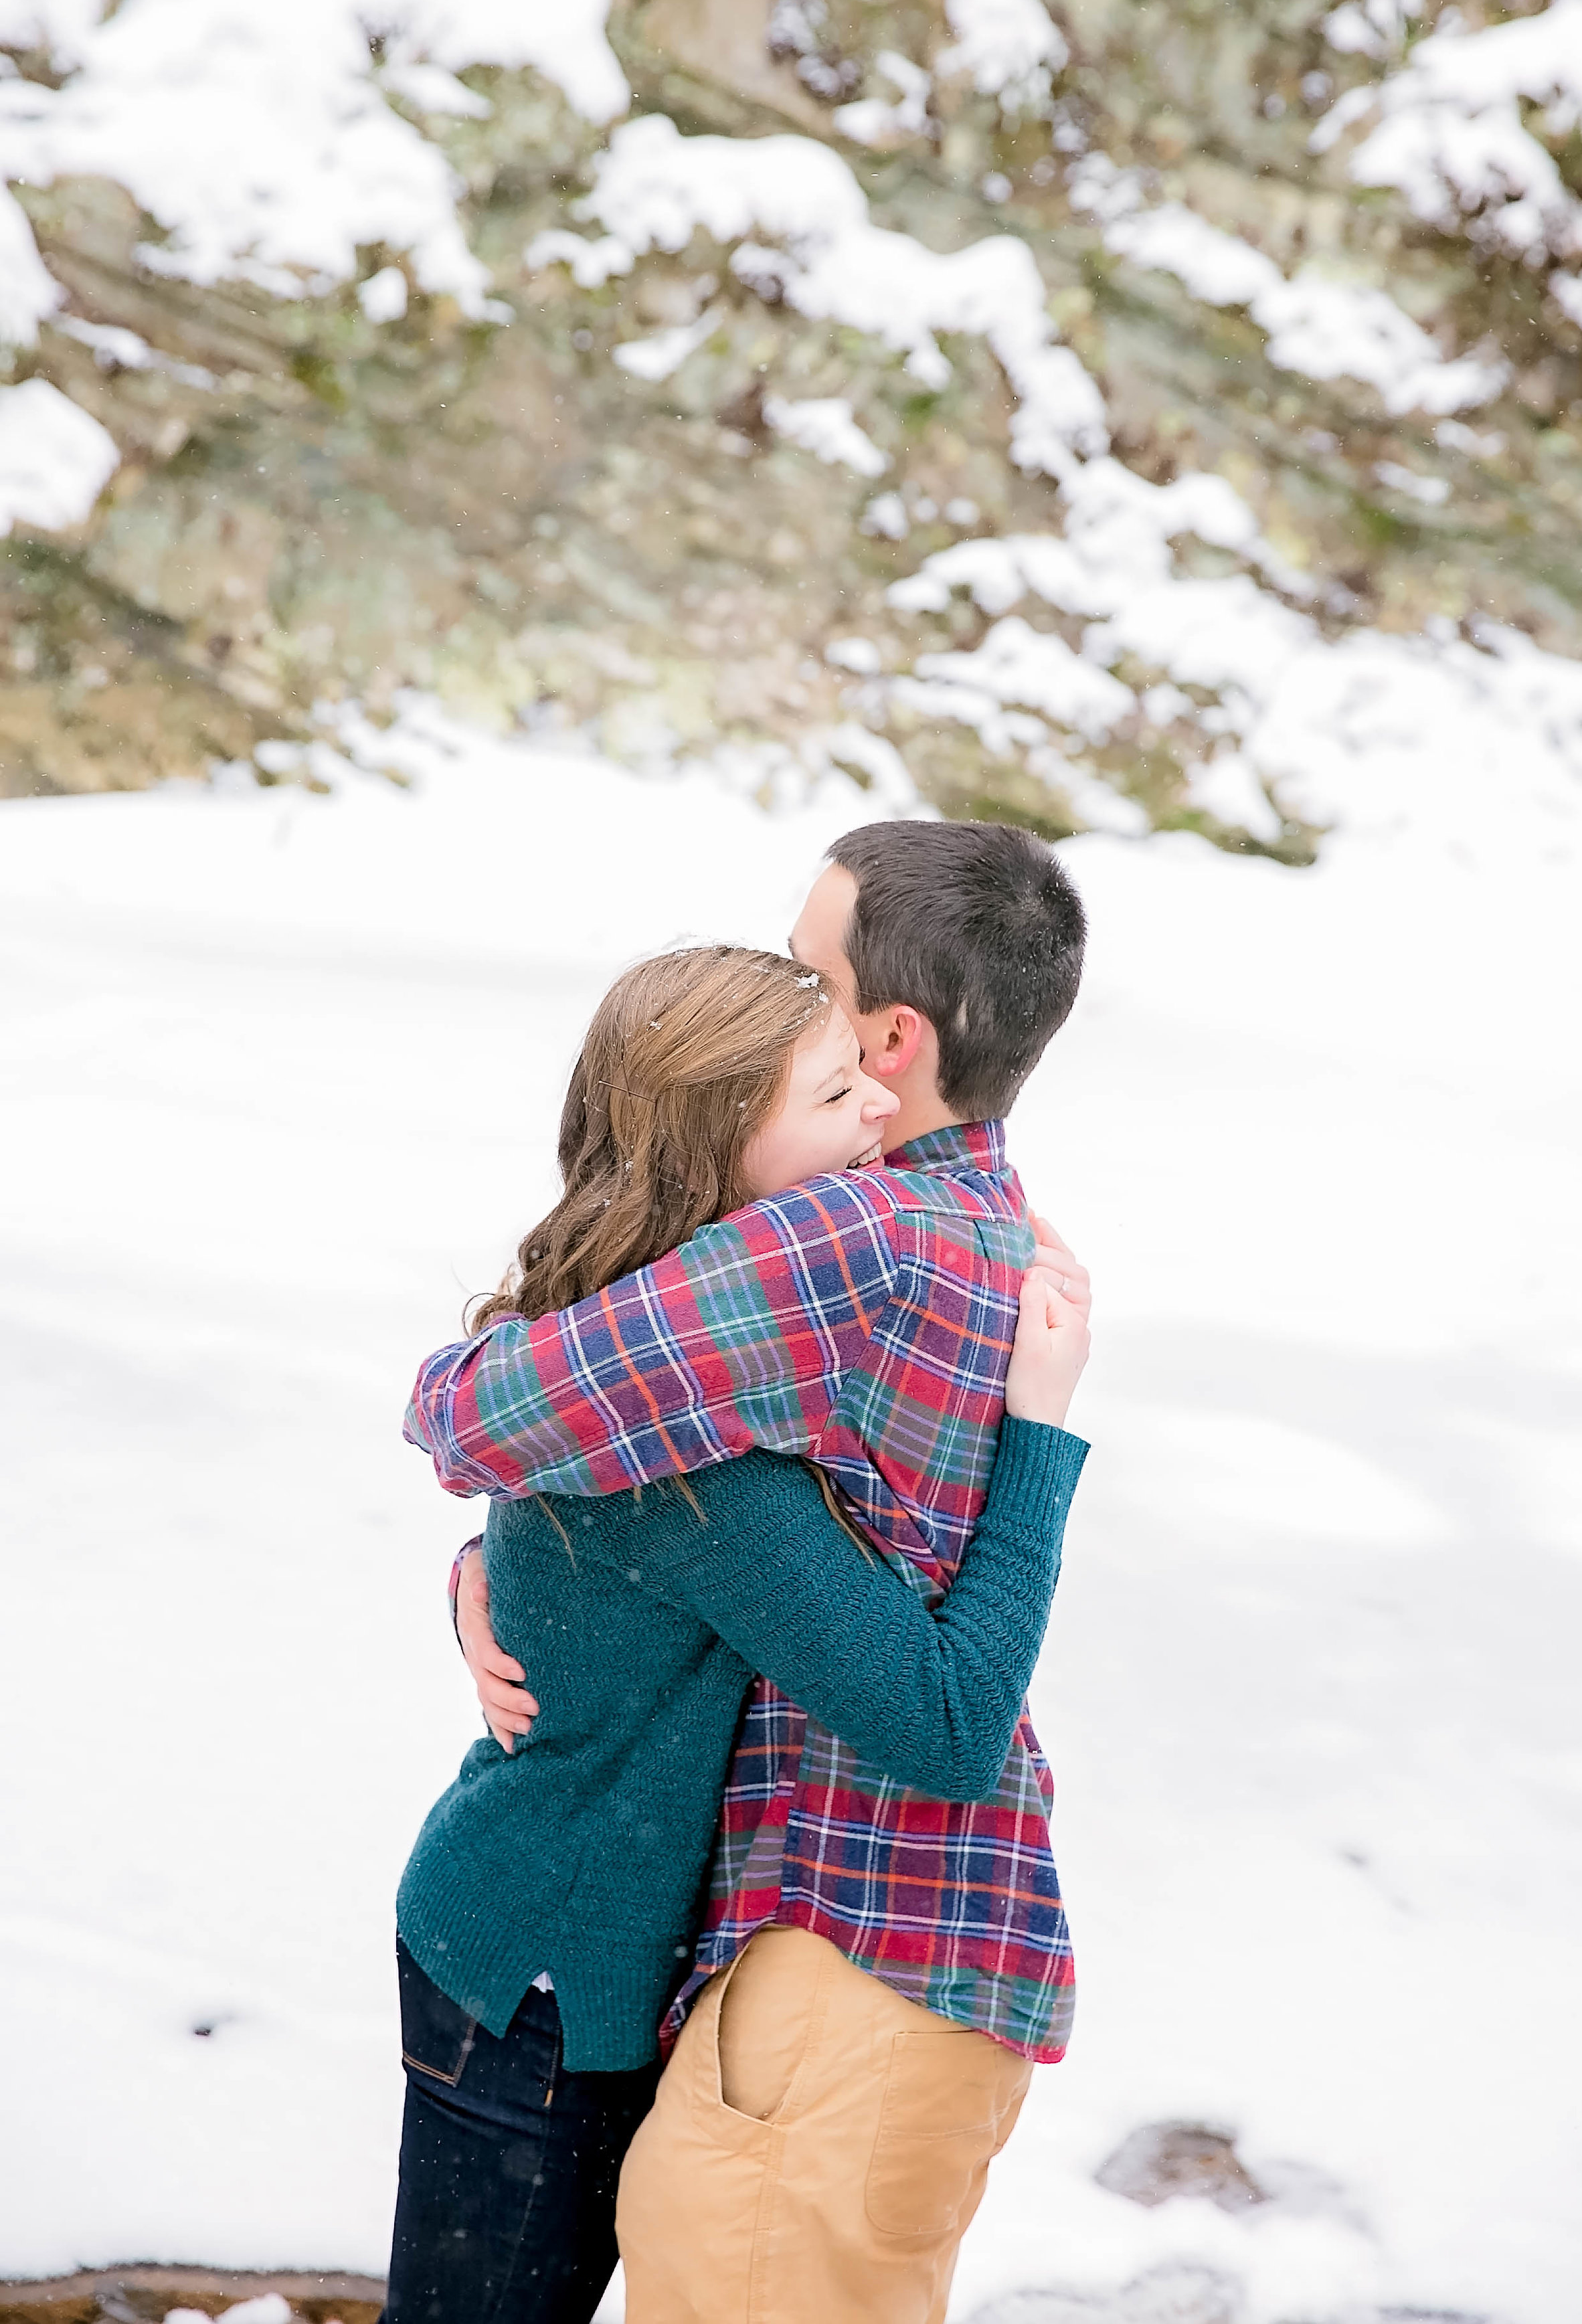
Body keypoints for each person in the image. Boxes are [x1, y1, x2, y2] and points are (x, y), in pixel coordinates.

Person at [408, 819, 1089, 2322]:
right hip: (810, 1927)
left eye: (807, 973)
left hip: (858, 1924)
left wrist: (504, 1494)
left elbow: (476, 1411)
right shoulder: (981, 1211)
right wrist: (508, 1567)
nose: (779, 992)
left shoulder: (842, 1237)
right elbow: (646, 1489)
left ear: (892, 1036)